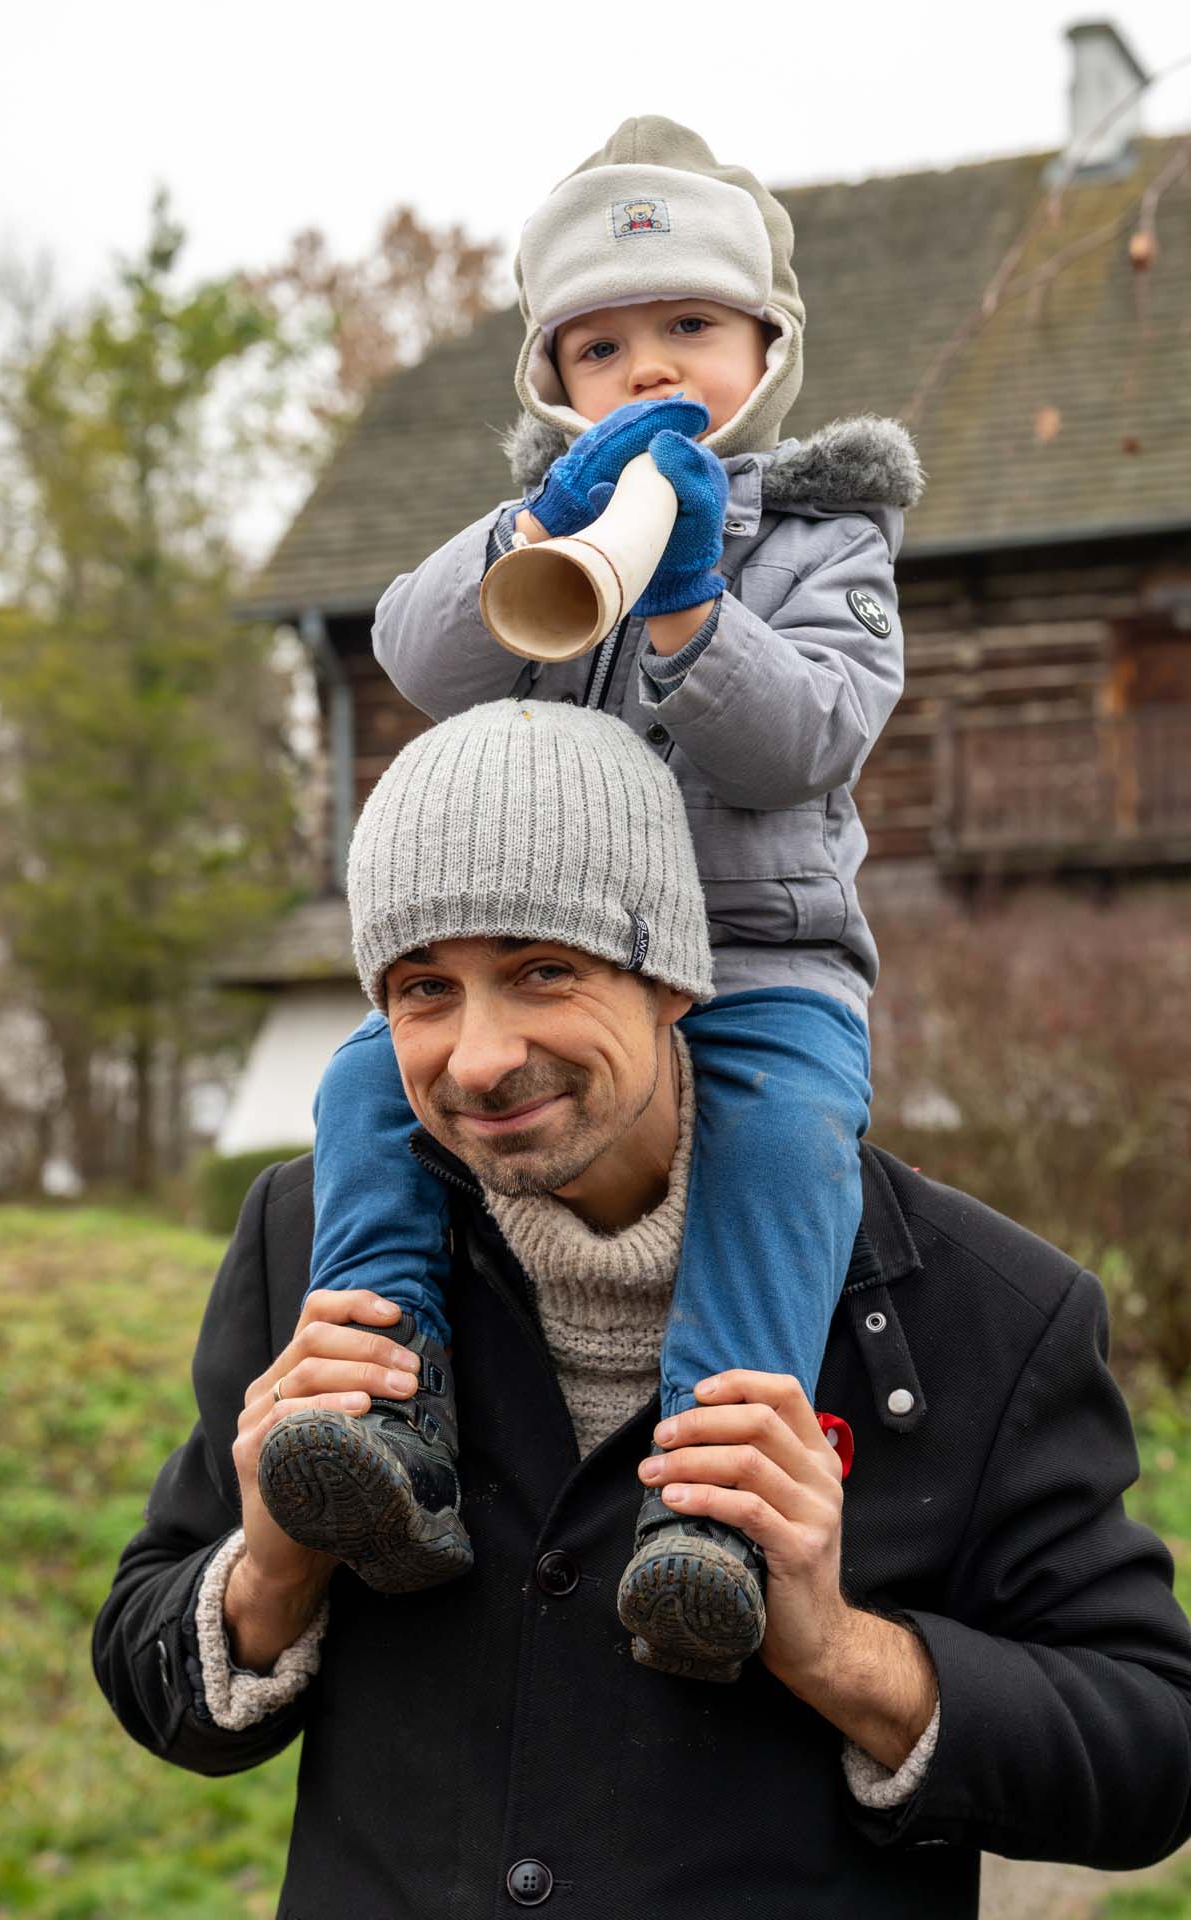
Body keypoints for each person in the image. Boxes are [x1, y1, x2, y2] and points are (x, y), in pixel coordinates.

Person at [93, 701, 1191, 1920]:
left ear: (672, 977)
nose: (477, 1058)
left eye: (541, 971)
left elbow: (1150, 1755)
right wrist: (271, 1570)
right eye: (423, 989)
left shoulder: (977, 1308)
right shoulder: (307, 1248)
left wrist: (836, 1651)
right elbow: (148, 1674)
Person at [269, 115, 923, 1681]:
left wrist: (695, 607)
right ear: (553, 379)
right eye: (601, 345)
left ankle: (711, 1506)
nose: (648, 370)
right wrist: (535, 528)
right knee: (362, 1084)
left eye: (688, 324)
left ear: (767, 345)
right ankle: (389, 1411)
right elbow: (418, 655)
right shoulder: (549, 510)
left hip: (759, 959)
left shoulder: (826, 536)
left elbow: (810, 743)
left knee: (783, 1139)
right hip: (557, 962)